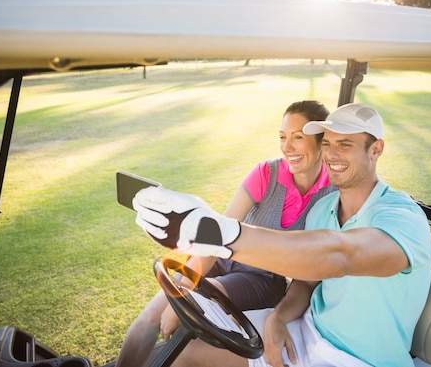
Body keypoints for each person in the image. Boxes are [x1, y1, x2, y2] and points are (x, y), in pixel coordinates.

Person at [132, 103, 431, 367]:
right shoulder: (324, 209)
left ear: (376, 149)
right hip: (306, 333)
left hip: (359, 359)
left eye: (345, 145)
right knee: (185, 356)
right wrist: (279, 317)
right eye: (328, 144)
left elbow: (342, 255)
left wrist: (223, 234)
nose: (332, 154)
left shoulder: (401, 216)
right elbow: (305, 282)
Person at [116, 100, 335, 367]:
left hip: (261, 278)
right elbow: (215, 237)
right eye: (282, 137)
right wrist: (183, 289)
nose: (287, 147)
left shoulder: (331, 196)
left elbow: (311, 271)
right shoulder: (266, 172)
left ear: (321, 142)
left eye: (297, 137)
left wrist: (185, 298)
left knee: (190, 307)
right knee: (151, 315)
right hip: (220, 257)